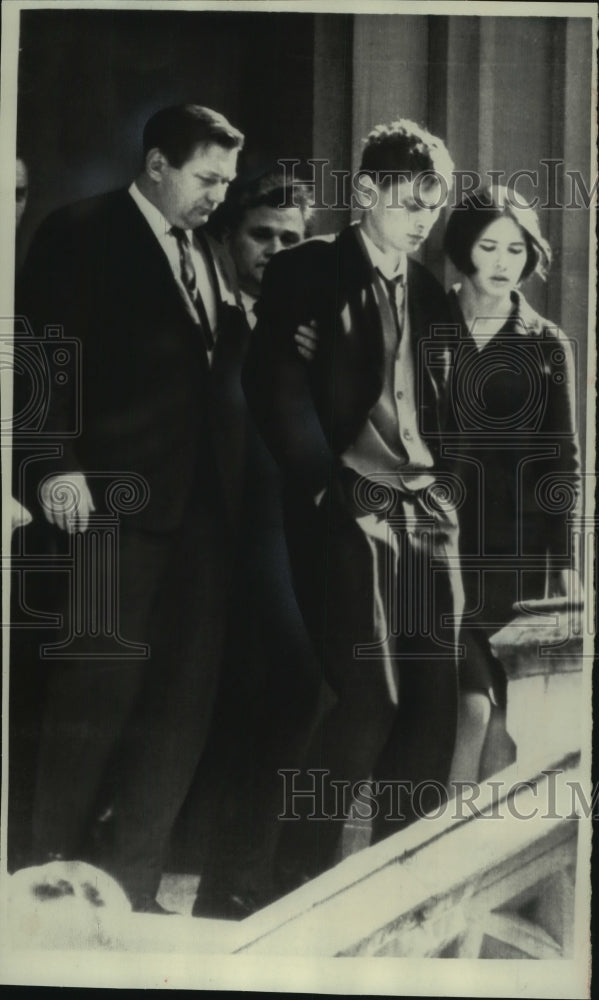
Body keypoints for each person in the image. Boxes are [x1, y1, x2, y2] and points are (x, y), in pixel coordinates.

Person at [16, 103, 245, 912]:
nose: (218, 194)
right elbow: (42, 359)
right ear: (156, 164)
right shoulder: (80, 232)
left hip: (204, 520)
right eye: (205, 177)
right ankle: (45, 879)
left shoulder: (210, 253)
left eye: (226, 181)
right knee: (94, 695)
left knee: (182, 702)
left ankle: (133, 885)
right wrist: (51, 465)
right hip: (109, 506)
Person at [242, 119, 464, 889]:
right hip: (346, 508)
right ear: (366, 190)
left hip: (425, 514)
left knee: (431, 709)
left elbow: (446, 404)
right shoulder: (307, 270)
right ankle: (291, 890)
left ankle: (397, 893)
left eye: (431, 209)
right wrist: (322, 489)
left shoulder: (429, 290)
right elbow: (272, 387)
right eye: (408, 203)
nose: (420, 220)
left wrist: (442, 495)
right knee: (368, 700)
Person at [183, 167, 322, 918]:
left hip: (286, 533)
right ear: (229, 237)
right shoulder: (211, 313)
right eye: (262, 236)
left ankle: (240, 880)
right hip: (213, 539)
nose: (276, 250)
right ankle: (230, 879)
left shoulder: (299, 321)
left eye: (291, 239)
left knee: (294, 690)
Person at [443, 185, 581, 783]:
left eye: (517, 249)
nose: (504, 262)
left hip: (516, 553)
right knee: (469, 707)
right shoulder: (427, 316)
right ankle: (437, 855)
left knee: (501, 718)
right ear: (462, 250)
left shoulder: (547, 342)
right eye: (489, 246)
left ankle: (469, 861)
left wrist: (567, 562)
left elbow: (563, 461)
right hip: (435, 542)